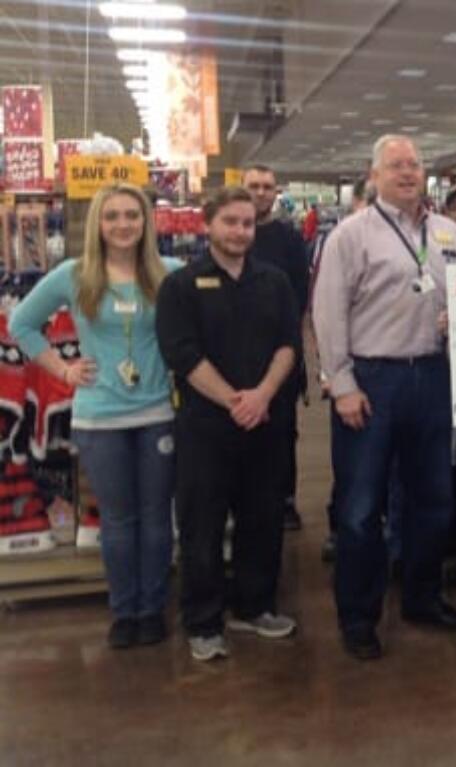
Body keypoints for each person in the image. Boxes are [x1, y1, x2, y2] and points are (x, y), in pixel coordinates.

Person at [313, 134, 456, 660]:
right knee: (361, 509)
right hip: (372, 381)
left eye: (415, 164)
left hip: (433, 375)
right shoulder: (351, 236)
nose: (407, 173)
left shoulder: (447, 232)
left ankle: (422, 598)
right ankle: (358, 616)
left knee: (434, 500)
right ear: (373, 175)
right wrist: (342, 385)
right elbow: (328, 314)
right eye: (395, 166)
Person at [11, 184, 178, 649]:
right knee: (119, 520)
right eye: (112, 217)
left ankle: (152, 609)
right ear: (98, 225)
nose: (122, 225)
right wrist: (62, 368)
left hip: (156, 414)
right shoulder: (74, 274)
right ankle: (125, 612)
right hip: (99, 418)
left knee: (156, 517)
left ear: (146, 222)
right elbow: (21, 323)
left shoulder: (169, 274)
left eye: (132, 215)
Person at [155, 186, 300, 662]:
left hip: (266, 421)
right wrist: (232, 400)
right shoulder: (181, 286)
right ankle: (203, 621)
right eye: (230, 222)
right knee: (202, 525)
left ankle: (255, 606)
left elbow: (289, 344)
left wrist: (261, 397)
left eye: (247, 223)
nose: (240, 231)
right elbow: (182, 354)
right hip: (205, 428)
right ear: (207, 225)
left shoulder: (274, 281)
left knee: (263, 518)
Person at [242, 164, 310, 531]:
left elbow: (301, 296)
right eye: (254, 185)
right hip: (235, 356)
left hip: (281, 353)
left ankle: (285, 499)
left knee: (282, 430)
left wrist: (293, 349)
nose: (261, 192)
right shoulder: (228, 233)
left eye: (268, 186)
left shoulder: (288, 238)